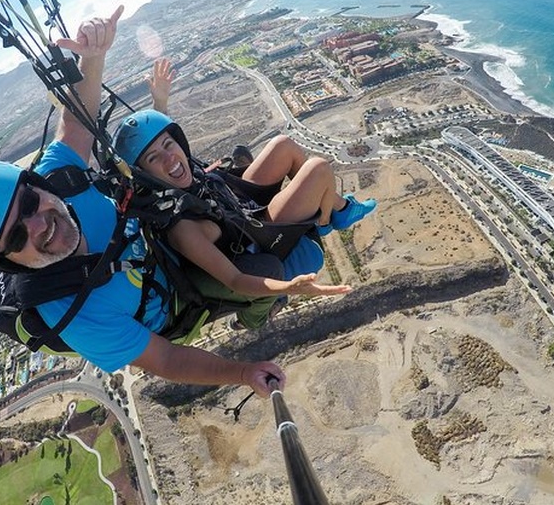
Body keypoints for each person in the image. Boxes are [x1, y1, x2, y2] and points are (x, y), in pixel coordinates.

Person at [0, 7, 341, 397]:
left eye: (28, 203)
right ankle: (257, 315)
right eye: (15, 238)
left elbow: (77, 124)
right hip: (174, 300)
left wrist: (93, 59)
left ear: (36, 183)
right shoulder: (74, 314)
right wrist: (243, 372)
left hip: (160, 240)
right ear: (7, 261)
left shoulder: (60, 178)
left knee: (232, 190)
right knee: (300, 260)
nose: (37, 225)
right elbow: (166, 360)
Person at [112, 61, 378, 319]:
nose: (169, 159)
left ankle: (337, 210)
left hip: (237, 206)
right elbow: (235, 279)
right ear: (144, 174)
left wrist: (160, 102)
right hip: (256, 237)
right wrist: (286, 289)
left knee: (283, 146)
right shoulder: (183, 228)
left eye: (169, 144)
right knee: (318, 169)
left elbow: (159, 143)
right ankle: (327, 219)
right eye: (153, 158)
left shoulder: (175, 175)